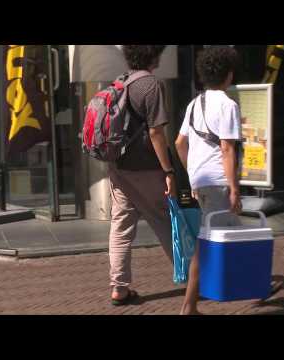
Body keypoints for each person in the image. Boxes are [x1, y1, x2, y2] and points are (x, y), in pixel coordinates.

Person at [175, 46, 244, 315]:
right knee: (208, 244)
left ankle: (255, 284)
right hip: (218, 182)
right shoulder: (228, 105)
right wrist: (235, 188)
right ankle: (188, 306)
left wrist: (193, 175)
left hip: (202, 183)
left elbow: (180, 143)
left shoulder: (195, 104)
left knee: (226, 236)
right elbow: (227, 149)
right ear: (228, 74)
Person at [108, 45, 176, 306]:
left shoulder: (119, 83)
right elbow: (157, 133)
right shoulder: (152, 85)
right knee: (164, 220)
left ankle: (119, 287)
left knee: (121, 227)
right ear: (154, 56)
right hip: (146, 167)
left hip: (118, 167)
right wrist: (168, 170)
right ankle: (194, 275)